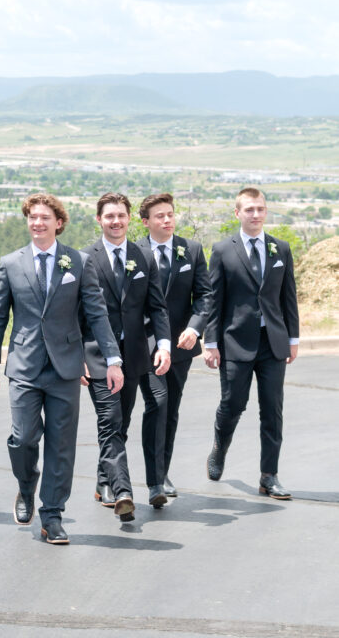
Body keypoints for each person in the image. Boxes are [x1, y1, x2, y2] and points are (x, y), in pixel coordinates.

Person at [0, 193, 122, 545]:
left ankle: (52, 515)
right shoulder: (11, 263)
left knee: (61, 445)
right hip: (25, 366)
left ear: (59, 222)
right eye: (32, 217)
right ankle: (27, 485)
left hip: (66, 368)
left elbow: (96, 314)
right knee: (24, 437)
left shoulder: (78, 261)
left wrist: (112, 360)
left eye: (45, 217)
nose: (37, 223)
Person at [204, 187, 299, 498]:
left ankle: (269, 476)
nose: (255, 214)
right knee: (233, 404)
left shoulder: (280, 249)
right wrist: (211, 341)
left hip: (273, 342)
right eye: (249, 210)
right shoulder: (222, 250)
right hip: (235, 341)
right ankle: (220, 445)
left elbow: (288, 297)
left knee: (273, 409)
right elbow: (214, 300)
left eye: (260, 209)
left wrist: (293, 338)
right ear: (238, 213)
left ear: (265, 212)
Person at [82, 193, 171, 512]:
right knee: (110, 419)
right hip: (96, 355)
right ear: (99, 220)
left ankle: (102, 479)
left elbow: (157, 306)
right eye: (109, 216)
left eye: (121, 215)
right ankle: (121, 490)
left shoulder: (143, 256)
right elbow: (75, 312)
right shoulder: (85, 258)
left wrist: (163, 345)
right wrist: (79, 354)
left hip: (134, 354)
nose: (116, 221)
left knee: (121, 421)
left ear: (129, 218)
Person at [137, 193, 212, 497]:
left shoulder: (190, 250)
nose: (167, 220)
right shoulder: (134, 252)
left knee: (170, 410)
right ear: (146, 222)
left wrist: (195, 329)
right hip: (144, 345)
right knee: (156, 404)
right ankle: (137, 478)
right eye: (160, 216)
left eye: (170, 214)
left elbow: (205, 296)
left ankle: (162, 473)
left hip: (181, 345)